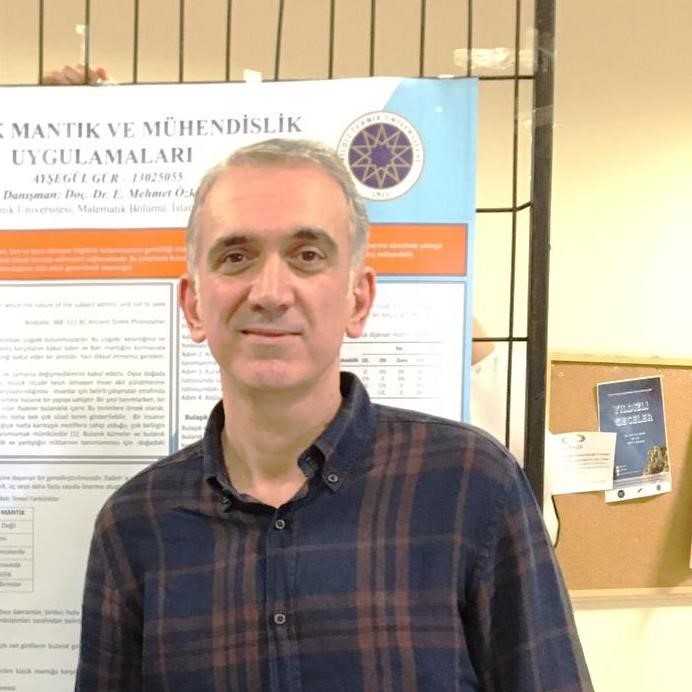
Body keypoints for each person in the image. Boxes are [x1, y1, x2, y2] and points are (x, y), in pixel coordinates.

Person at [75, 138, 592, 691]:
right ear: (194, 305)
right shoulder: (136, 525)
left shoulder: (471, 486)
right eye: (236, 256)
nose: (270, 293)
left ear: (358, 300)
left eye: (307, 256)